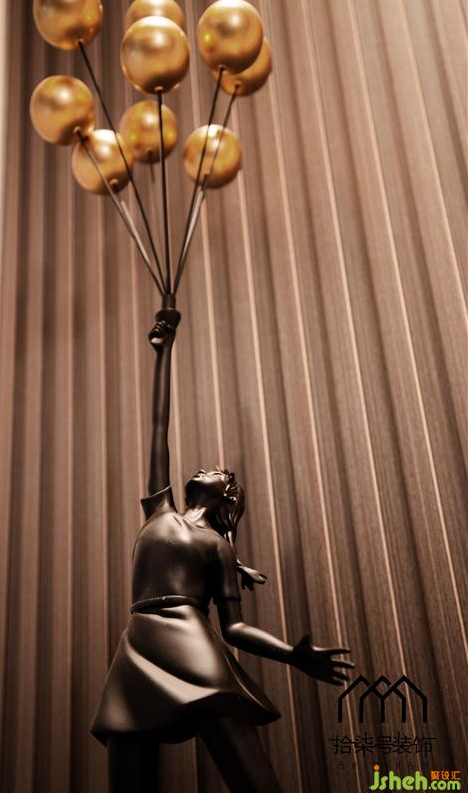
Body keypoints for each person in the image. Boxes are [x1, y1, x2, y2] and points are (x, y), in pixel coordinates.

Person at [91, 305, 353, 793]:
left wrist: (290, 655)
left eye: (219, 471)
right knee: (125, 754)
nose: (208, 467)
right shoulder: (160, 511)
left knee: (247, 771)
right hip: (137, 643)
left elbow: (234, 628)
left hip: (192, 642)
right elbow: (158, 430)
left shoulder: (216, 546)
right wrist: (163, 354)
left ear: (228, 494)